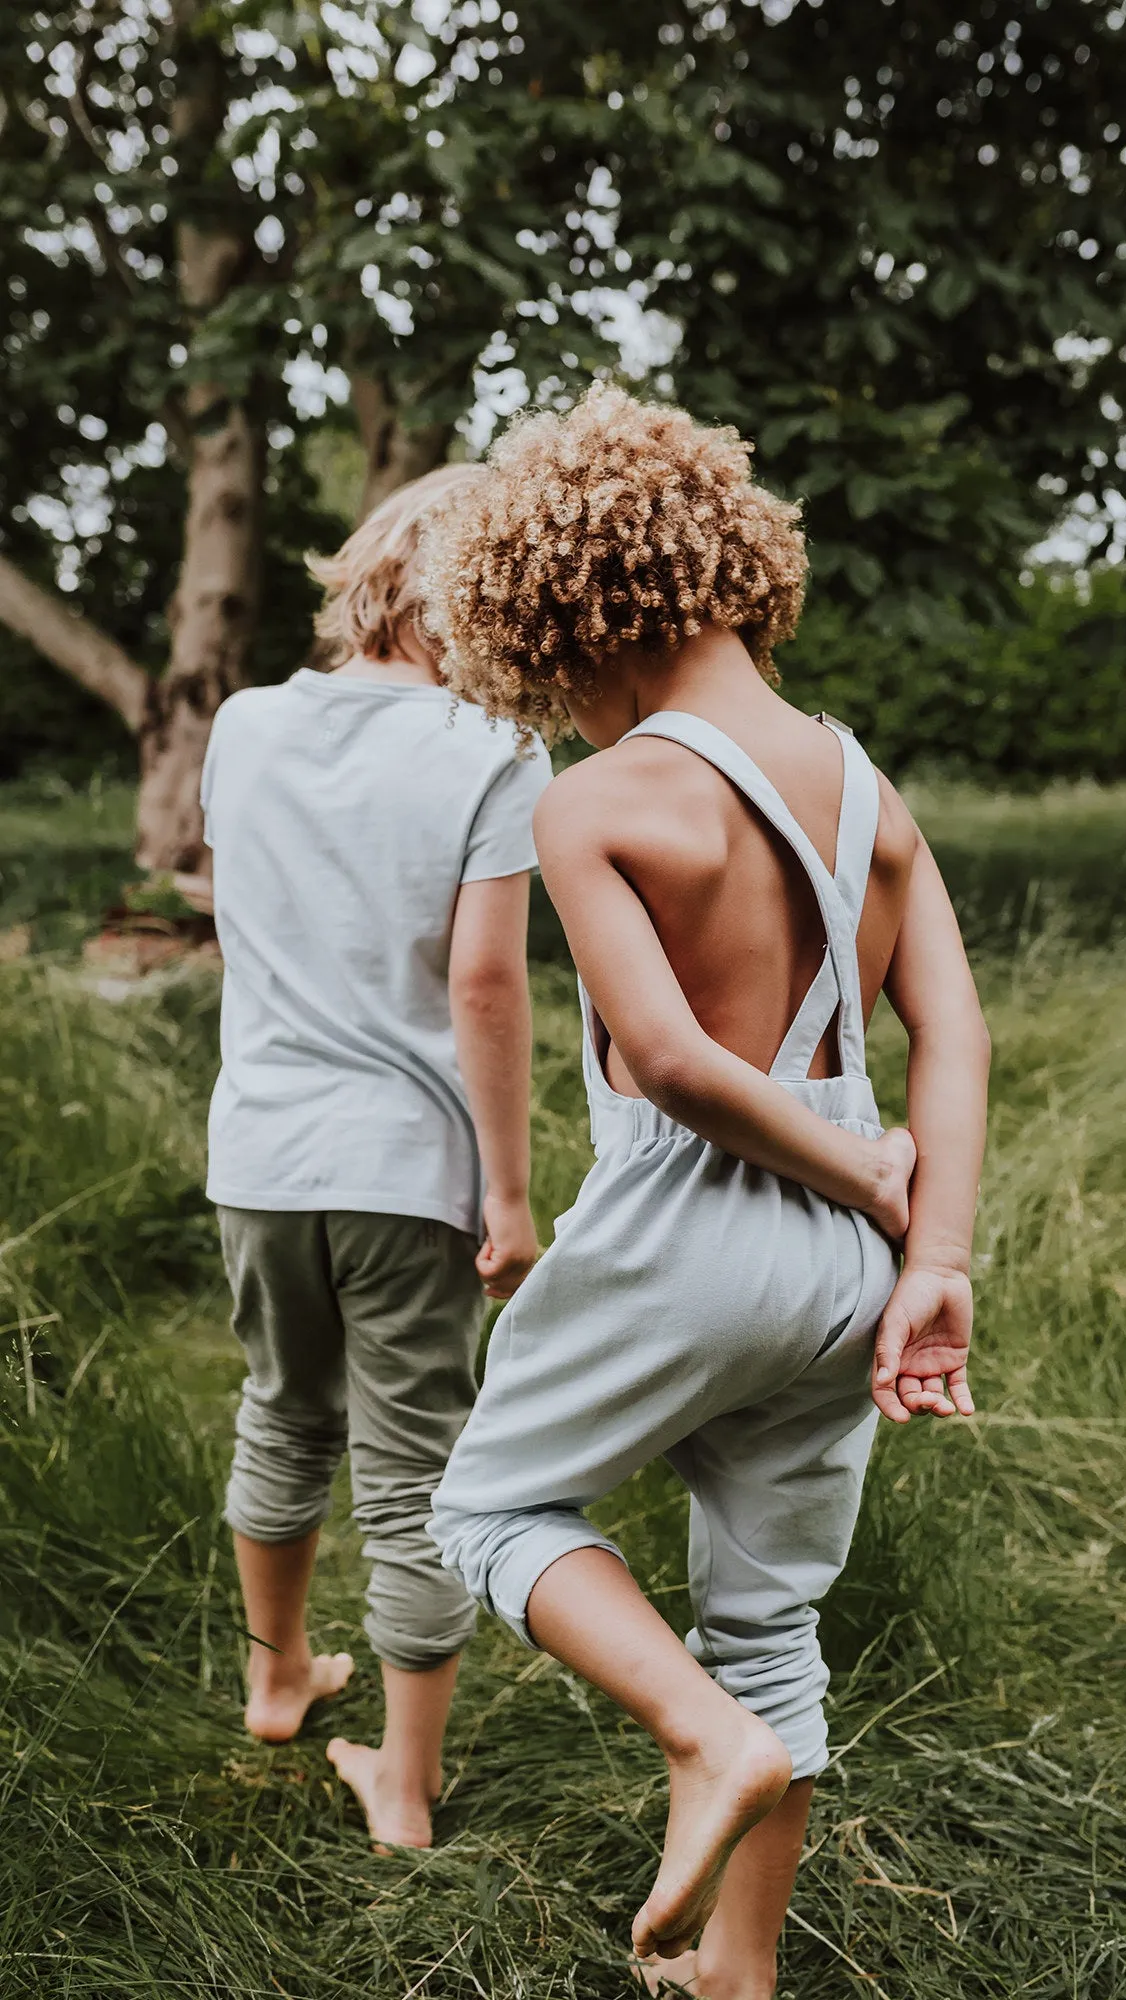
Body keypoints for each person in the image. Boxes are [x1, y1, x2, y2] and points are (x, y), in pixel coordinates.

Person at [420, 388, 991, 1998]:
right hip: (852, 1276)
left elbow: (668, 1065)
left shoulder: (596, 800)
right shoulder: (873, 794)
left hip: (694, 1227)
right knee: (769, 1615)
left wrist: (845, 1164)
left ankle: (699, 1735)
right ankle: (737, 1976)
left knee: (487, 1508)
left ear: (560, 618)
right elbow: (954, 1028)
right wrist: (924, 1238)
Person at [200, 464, 551, 1850]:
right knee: (414, 1465)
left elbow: (249, 929)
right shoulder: (496, 753)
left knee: (282, 1408)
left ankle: (279, 1678)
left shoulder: (244, 725)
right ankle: (402, 1787)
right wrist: (510, 1198)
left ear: (370, 576)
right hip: (409, 1167)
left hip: (262, 1152)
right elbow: (486, 985)